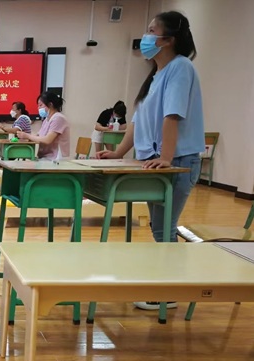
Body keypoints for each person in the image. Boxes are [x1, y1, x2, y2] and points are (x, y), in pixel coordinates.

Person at [97, 11, 204, 310]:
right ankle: (166, 284)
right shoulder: (156, 75)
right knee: (160, 227)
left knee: (164, 228)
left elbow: (173, 115)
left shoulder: (180, 67)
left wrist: (166, 157)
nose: (145, 36)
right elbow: (137, 121)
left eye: (152, 30)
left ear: (168, 40)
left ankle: (170, 291)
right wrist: (119, 153)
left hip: (177, 161)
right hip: (155, 162)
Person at [13, 92, 70, 160]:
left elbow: (47, 140)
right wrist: (25, 137)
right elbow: (39, 136)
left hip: (55, 159)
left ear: (50, 104)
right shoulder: (47, 119)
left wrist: (27, 136)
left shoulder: (58, 118)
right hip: (46, 157)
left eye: (41, 105)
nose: (38, 108)